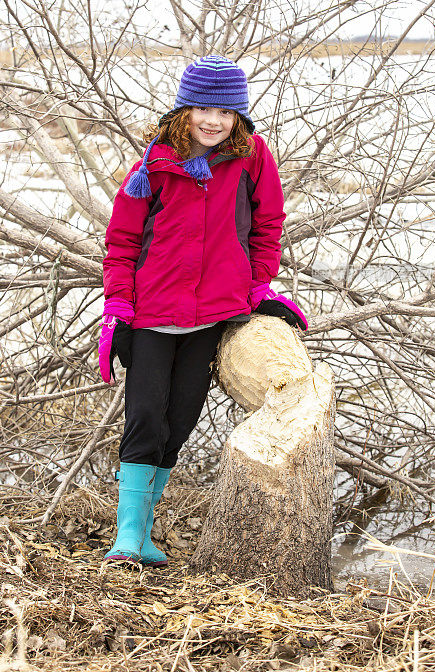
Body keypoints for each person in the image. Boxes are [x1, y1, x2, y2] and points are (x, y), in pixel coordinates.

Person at [98, 55, 308, 567]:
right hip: (151, 314)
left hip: (212, 316)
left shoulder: (252, 157)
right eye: (202, 109)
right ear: (183, 111)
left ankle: (144, 535)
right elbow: (123, 239)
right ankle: (127, 538)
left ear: (239, 116)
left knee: (181, 420)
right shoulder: (153, 164)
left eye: (225, 111)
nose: (213, 121)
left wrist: (256, 285)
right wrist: (117, 305)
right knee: (145, 418)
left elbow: (268, 224)